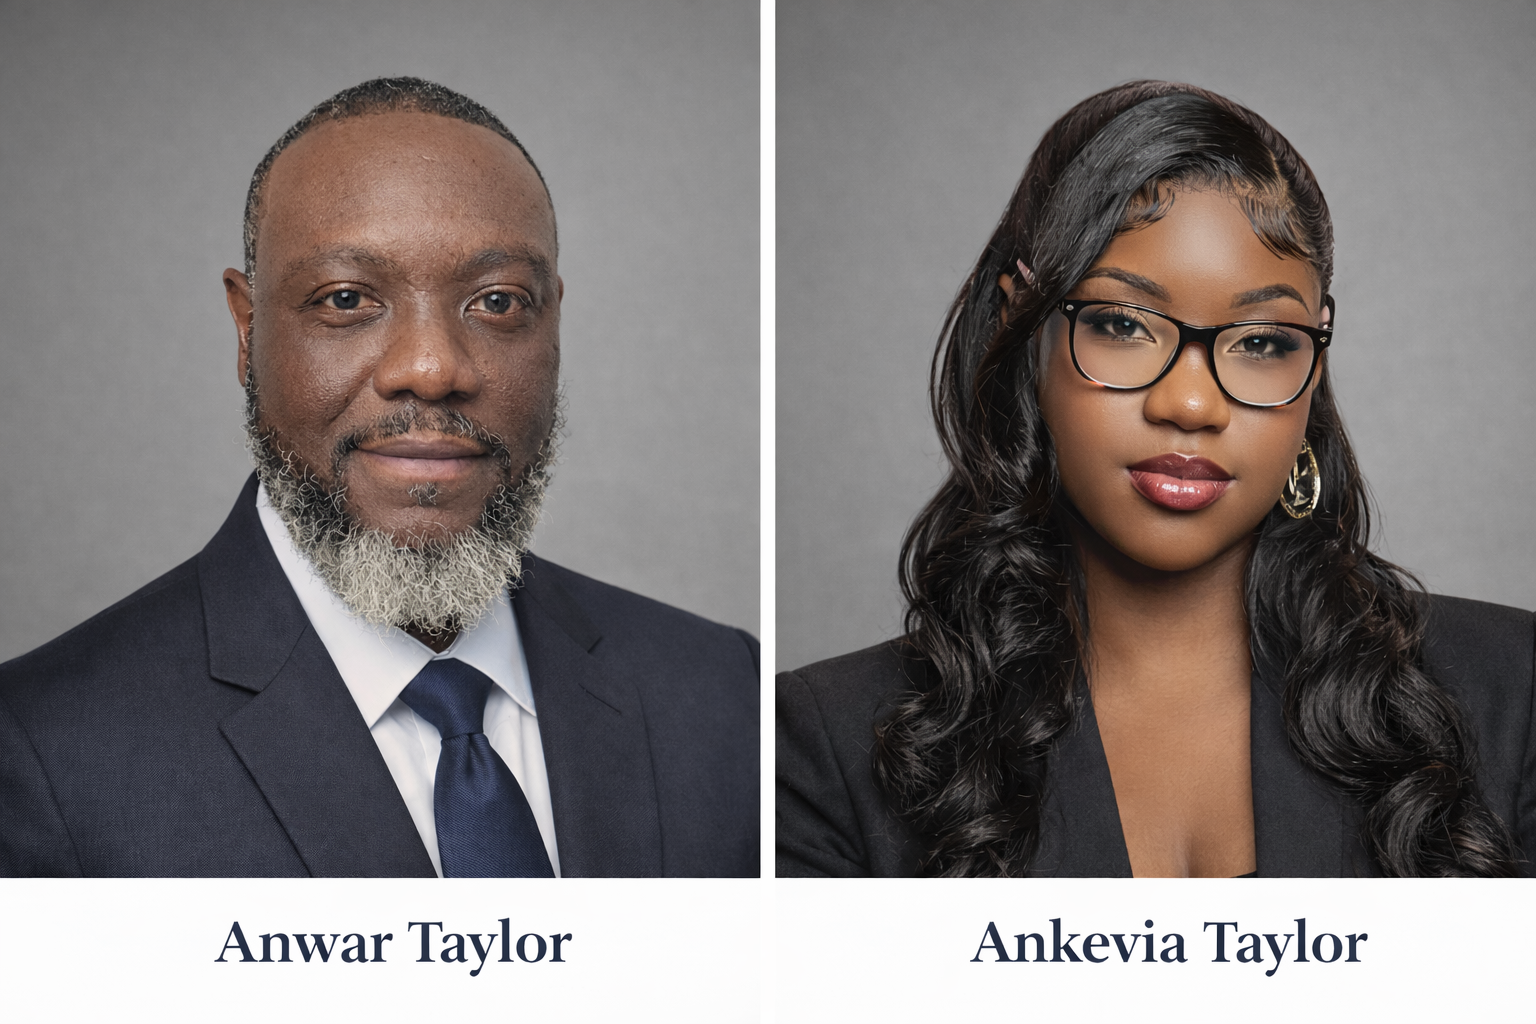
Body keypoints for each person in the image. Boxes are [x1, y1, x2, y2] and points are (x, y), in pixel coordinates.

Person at [0, 78, 758, 878]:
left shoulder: (723, 694)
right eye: (347, 298)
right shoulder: (41, 751)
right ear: (247, 327)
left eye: (498, 301)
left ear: (554, 323)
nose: (431, 368)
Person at [777, 81, 1536, 878]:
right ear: (1020, 328)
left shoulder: (1511, 692)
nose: (1192, 403)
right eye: (1122, 325)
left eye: (1264, 341)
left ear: (1312, 371)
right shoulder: (825, 741)